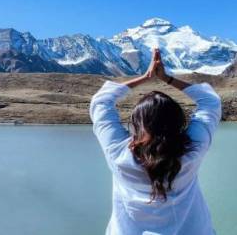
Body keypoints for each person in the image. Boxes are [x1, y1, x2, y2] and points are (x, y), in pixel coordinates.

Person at [89, 48, 222, 235]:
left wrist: (146, 76)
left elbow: (101, 101)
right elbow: (210, 101)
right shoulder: (192, 150)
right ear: (178, 122)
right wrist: (166, 78)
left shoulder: (118, 153)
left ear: (137, 124)